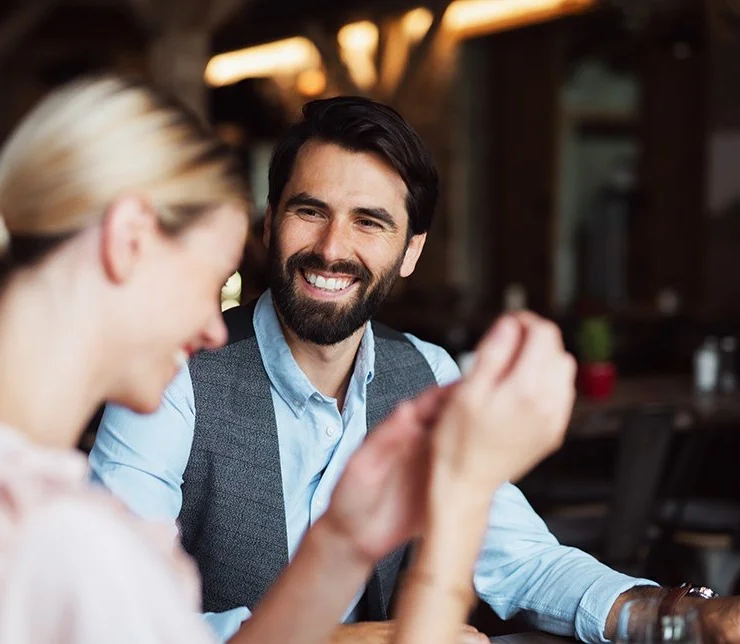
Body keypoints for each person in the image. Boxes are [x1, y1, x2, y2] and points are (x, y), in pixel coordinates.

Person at [0, 75, 571, 644]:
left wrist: (340, 544)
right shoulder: (60, 538)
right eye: (209, 284)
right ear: (128, 242)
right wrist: (462, 494)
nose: (211, 327)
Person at [90, 95, 740, 644]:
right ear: (270, 223)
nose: (331, 248)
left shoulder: (426, 373)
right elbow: (110, 621)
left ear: (410, 252)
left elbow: (522, 562)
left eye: (369, 222)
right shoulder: (169, 375)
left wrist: (679, 616)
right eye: (309, 210)